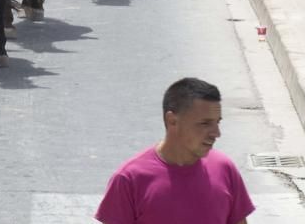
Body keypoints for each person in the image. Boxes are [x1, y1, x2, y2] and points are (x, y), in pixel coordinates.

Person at [95, 77, 256, 224]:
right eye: (205, 123)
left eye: (217, 123)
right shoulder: (129, 180)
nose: (216, 133)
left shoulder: (225, 169)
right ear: (172, 121)